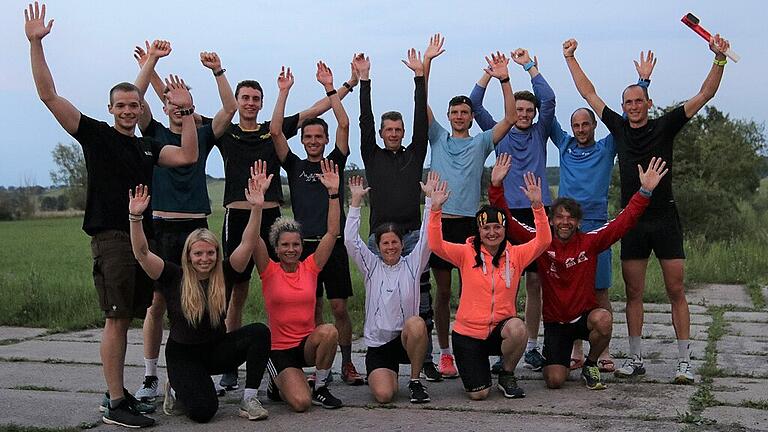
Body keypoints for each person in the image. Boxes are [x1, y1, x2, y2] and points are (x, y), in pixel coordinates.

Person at [24, 2, 198, 428]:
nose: (127, 110)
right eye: (120, 105)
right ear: (110, 109)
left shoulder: (146, 146)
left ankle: (120, 395)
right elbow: (48, 95)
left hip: (143, 239)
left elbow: (189, 154)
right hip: (112, 237)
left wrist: (187, 110)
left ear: (140, 111)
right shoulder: (96, 136)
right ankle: (116, 401)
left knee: (133, 315)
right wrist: (35, 44)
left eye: (133, 106)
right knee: (117, 318)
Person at [563, 35, 731, 384]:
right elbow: (588, 93)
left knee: (675, 290)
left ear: (648, 102)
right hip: (632, 221)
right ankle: (636, 359)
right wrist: (570, 58)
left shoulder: (665, 125)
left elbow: (705, 95)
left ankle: (684, 363)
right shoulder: (619, 128)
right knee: (634, 293)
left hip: (665, 217)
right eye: (628, 102)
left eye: (639, 100)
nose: (634, 106)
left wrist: (719, 60)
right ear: (624, 107)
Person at [215, 55, 358, 390]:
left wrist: (342, 86)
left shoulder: (325, 157)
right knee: (236, 292)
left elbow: (321, 115)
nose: (250, 103)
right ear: (237, 102)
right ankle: (232, 363)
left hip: (287, 223)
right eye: (245, 98)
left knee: (315, 300)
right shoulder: (228, 132)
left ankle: (327, 360)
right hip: (239, 214)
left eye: (255, 98)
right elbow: (182, 116)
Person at [490, 154, 668, 390]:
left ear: (579, 222)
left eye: (571, 218)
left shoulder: (590, 242)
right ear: (551, 221)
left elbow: (623, 222)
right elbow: (509, 224)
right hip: (556, 324)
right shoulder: (541, 242)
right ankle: (553, 354)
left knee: (603, 319)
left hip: (583, 319)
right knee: (554, 381)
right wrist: (495, 186)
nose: (565, 222)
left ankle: (591, 363)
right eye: (560, 217)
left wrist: (644, 192)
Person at [131, 41, 238, 401]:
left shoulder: (203, 136)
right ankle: (150, 376)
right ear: (165, 108)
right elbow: (136, 100)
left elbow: (229, 108)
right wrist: (151, 64)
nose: (180, 112)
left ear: (192, 110)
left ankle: (208, 369)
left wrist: (218, 71)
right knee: (158, 304)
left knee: (210, 301)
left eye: (186, 107)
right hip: (163, 228)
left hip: (198, 228)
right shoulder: (155, 134)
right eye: (174, 107)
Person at [127, 165, 271, 423]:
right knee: (204, 412)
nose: (205, 258)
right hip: (184, 354)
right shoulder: (173, 275)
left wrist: (257, 207)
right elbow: (142, 254)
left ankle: (249, 397)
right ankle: (178, 385)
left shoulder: (226, 272)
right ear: (189, 256)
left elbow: (248, 243)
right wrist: (135, 218)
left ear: (216, 254)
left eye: (210, 253)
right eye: (198, 253)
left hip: (216, 350)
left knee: (259, 332)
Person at [550, 52, 656, 373]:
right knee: (570, 292)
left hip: (596, 230)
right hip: (565, 230)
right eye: (576, 125)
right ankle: (576, 350)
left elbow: (621, 112)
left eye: (586, 124)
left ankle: (604, 349)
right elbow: (546, 112)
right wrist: (533, 70)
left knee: (599, 292)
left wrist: (643, 81)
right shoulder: (564, 144)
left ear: (595, 125)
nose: (581, 129)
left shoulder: (607, 146)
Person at [424, 34, 518, 378]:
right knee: (444, 291)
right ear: (449, 116)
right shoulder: (437, 137)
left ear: (470, 116)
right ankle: (446, 352)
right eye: (455, 112)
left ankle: (476, 345)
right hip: (440, 221)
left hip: (469, 224)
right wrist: (427, 66)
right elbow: (422, 105)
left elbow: (508, 118)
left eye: (465, 112)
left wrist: (504, 78)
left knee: (472, 290)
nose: (460, 116)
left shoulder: (481, 142)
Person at [271, 62, 363, 385]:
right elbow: (276, 131)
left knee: (339, 308)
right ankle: (316, 368)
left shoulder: (334, 161)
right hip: (301, 249)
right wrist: (283, 93)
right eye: (308, 136)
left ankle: (348, 364)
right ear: (303, 140)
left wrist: (331, 88)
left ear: (324, 139)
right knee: (314, 310)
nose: (312, 140)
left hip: (331, 243)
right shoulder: (293, 165)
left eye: (317, 136)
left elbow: (345, 123)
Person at [354, 47, 440, 381]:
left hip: (413, 234)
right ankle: (382, 352)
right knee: (380, 295)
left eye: (398, 129)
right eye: (388, 129)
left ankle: (425, 358)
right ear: (381, 133)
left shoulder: (415, 152)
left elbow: (421, 117)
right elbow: (365, 120)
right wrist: (365, 81)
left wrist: (419, 77)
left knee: (421, 298)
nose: (393, 133)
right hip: (380, 237)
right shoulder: (371, 155)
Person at [470, 47, 555, 372]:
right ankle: (501, 342)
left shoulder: (540, 130)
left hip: (536, 212)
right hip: (503, 213)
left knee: (535, 283)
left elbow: (549, 100)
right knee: (503, 281)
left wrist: (529, 66)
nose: (523, 114)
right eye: (518, 109)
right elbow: (475, 105)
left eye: (528, 110)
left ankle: (531, 345)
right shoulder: (500, 131)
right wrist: (490, 75)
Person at [428, 174, 550, 400]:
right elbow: (435, 244)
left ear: (504, 230)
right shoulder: (466, 253)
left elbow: (543, 241)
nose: (492, 232)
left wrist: (537, 206)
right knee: (480, 394)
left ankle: (506, 373)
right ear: (479, 231)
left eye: (497, 227)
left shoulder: (516, 255)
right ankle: (477, 367)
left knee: (518, 328)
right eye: (486, 228)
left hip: (499, 330)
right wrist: (435, 209)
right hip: (468, 334)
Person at [253, 160, 344, 411]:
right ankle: (276, 381)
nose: (291, 249)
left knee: (329, 331)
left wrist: (333, 193)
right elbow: (252, 239)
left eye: (296, 245)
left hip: (306, 345)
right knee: (301, 404)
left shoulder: (310, 267)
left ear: (302, 247)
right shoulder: (268, 270)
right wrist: (257, 205)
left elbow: (332, 233)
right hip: (280, 350)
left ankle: (321, 387)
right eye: (285, 245)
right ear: (276, 248)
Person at [344, 173, 438, 404]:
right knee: (385, 395)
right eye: (385, 243)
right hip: (379, 344)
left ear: (402, 244)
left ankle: (415, 381)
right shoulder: (371, 266)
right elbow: (350, 242)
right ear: (378, 247)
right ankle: (388, 376)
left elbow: (427, 238)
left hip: (406, 341)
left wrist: (430, 204)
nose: (390, 247)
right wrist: (355, 204)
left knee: (417, 324)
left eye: (394, 242)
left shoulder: (413, 264)